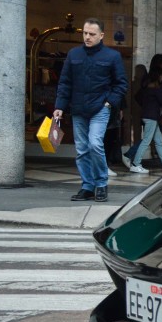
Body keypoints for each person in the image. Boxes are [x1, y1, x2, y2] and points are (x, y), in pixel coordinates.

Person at [53, 17, 128, 203]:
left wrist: (109, 103)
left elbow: (121, 84)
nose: (87, 37)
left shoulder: (112, 56)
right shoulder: (73, 54)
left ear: (101, 35)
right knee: (82, 149)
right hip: (78, 108)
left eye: (92, 34)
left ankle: (101, 184)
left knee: (95, 144)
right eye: (85, 33)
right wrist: (59, 107)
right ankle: (87, 187)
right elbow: (65, 83)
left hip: (100, 107)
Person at [128, 64, 162, 175]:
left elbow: (138, 98)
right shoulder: (157, 88)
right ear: (159, 76)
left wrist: (147, 107)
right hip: (151, 118)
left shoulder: (146, 87)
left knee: (159, 141)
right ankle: (136, 164)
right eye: (161, 75)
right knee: (146, 141)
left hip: (149, 117)